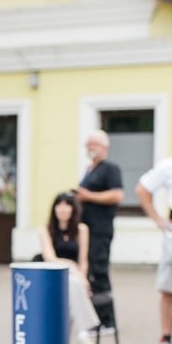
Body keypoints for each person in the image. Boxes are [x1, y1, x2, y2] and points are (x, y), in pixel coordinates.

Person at [37, 191, 100, 344]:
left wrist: (84, 280)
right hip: (51, 278)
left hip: (75, 281)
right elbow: (50, 258)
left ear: (73, 209)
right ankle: (83, 334)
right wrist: (72, 267)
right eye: (59, 205)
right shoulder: (45, 231)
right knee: (71, 284)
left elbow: (83, 261)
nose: (63, 209)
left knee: (71, 290)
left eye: (67, 205)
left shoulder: (81, 230)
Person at [75, 130, 123, 330]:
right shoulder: (89, 169)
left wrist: (88, 196)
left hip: (100, 229)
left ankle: (107, 320)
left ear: (104, 146)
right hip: (86, 229)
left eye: (93, 144)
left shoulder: (110, 169)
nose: (89, 148)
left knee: (99, 272)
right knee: (89, 272)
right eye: (87, 144)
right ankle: (93, 316)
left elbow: (117, 195)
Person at [135, 155, 172, 344]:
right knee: (168, 288)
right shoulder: (170, 166)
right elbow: (142, 188)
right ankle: (166, 339)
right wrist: (158, 220)